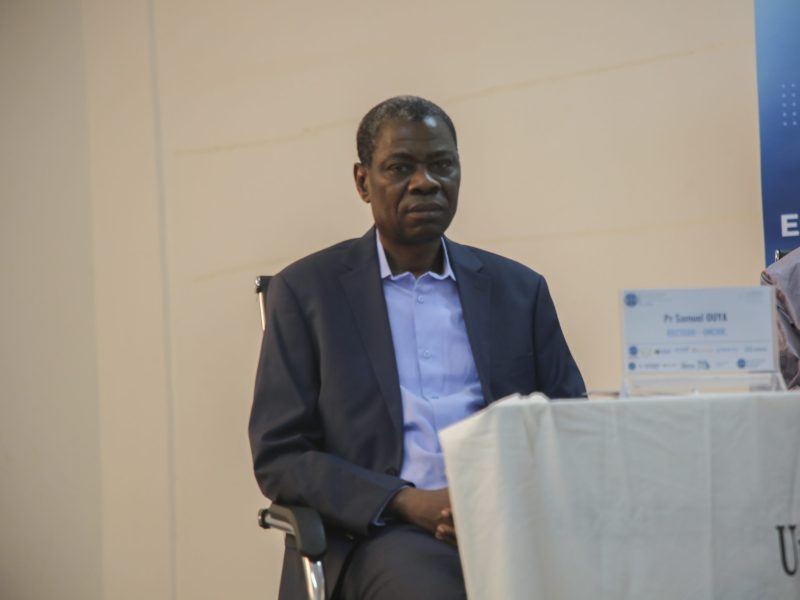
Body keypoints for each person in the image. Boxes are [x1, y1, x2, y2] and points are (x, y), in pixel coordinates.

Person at [249, 95, 586, 599]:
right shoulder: (306, 293)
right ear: (363, 181)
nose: (425, 182)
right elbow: (282, 455)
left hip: (513, 527)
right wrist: (404, 502)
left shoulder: (519, 291)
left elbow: (570, 425)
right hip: (380, 533)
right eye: (401, 167)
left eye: (441, 164)